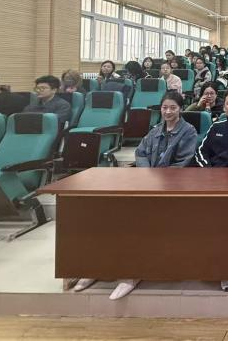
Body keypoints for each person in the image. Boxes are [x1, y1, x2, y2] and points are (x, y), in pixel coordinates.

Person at [73, 91, 197, 300]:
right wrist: (147, 174)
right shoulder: (155, 130)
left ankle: (131, 274)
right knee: (107, 214)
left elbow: (183, 163)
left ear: (180, 109)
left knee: (137, 222)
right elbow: (140, 153)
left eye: (173, 108)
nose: (168, 111)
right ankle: (97, 267)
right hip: (146, 184)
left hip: (171, 188)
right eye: (164, 107)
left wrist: (156, 179)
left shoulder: (188, 131)